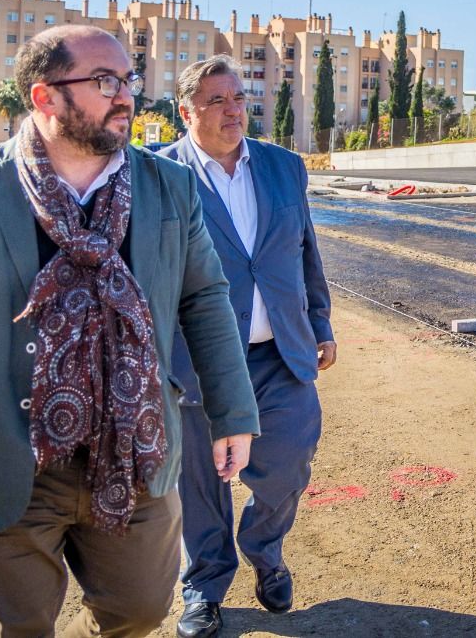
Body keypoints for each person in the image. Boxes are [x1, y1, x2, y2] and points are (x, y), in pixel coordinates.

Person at [0, 25, 259, 638]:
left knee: (140, 611)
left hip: (135, 451)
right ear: (45, 97)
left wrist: (233, 412)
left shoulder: (169, 185)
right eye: (103, 81)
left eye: (128, 80)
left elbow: (205, 300)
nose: (126, 97)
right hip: (1, 456)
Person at [162, 57, 335, 638]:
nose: (234, 109)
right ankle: (205, 586)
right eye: (216, 101)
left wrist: (321, 323)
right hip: (199, 359)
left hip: (278, 351)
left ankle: (265, 546)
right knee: (202, 479)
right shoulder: (159, 175)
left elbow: (304, 249)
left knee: (289, 460)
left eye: (238, 97)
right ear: (185, 112)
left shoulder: (285, 167)